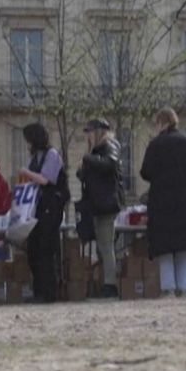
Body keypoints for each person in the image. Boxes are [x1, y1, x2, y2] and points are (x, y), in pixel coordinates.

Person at [18, 123, 69, 304]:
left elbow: (45, 180)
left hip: (50, 208)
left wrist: (27, 173)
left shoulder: (52, 155)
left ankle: (48, 292)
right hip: (37, 210)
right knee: (34, 250)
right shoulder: (36, 157)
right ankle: (38, 289)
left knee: (46, 251)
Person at [140, 107, 186, 297]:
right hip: (184, 201)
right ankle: (184, 288)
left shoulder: (155, 144)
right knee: (184, 248)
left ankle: (168, 288)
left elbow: (145, 172)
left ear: (162, 122)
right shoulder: (185, 142)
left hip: (162, 202)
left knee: (165, 249)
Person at [76, 118, 125, 298]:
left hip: (106, 204)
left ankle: (110, 285)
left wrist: (88, 158)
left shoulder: (110, 145)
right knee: (101, 246)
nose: (87, 135)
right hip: (96, 204)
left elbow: (109, 164)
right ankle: (105, 283)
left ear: (98, 132)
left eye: (90, 131)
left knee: (106, 245)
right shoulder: (96, 150)